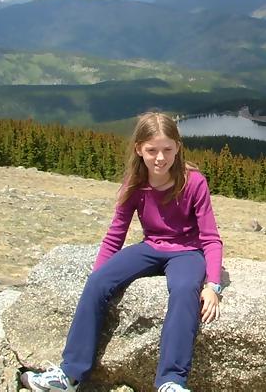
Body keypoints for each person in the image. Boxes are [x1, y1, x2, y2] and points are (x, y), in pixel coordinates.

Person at [22, 112, 224, 392]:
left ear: (178, 147)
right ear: (139, 149)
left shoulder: (194, 182)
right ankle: (69, 375)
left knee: (184, 289)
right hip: (150, 246)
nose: (160, 158)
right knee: (97, 282)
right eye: (152, 150)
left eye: (167, 149)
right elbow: (116, 233)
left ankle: (171, 381)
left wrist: (212, 285)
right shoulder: (135, 182)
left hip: (187, 252)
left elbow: (211, 238)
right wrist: (100, 274)